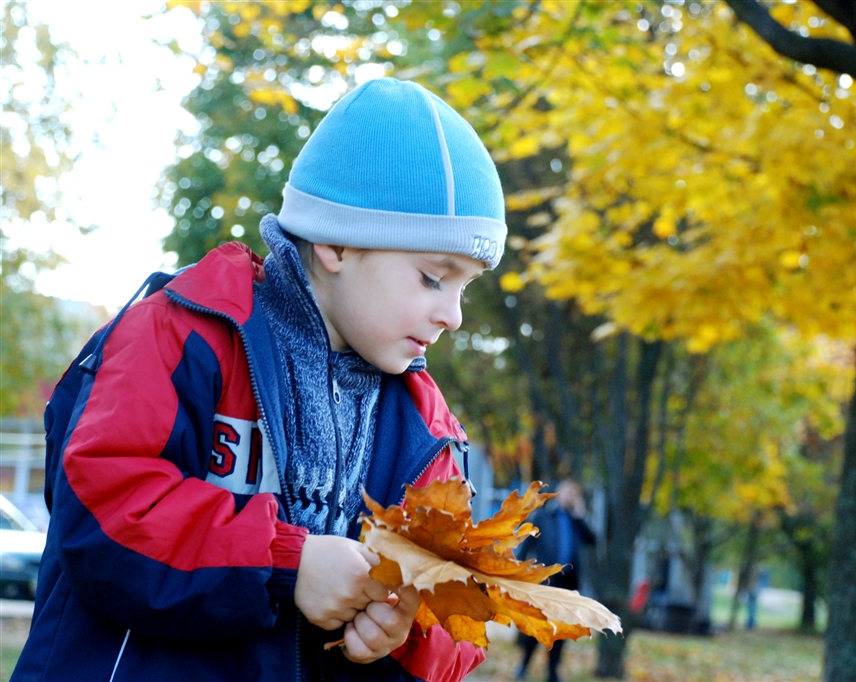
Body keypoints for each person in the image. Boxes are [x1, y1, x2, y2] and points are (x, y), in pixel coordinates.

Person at [12, 77, 506, 682]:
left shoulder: (423, 429)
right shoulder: (181, 338)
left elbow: (463, 627)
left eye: (465, 288)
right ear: (336, 243)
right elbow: (103, 509)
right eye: (434, 277)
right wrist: (285, 564)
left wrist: (408, 629)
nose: (452, 315)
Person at [515, 479, 596, 682]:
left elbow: (592, 540)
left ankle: (552, 673)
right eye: (567, 492)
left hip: (568, 583)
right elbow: (525, 545)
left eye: (574, 493)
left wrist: (580, 517)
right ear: (559, 493)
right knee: (538, 626)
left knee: (560, 629)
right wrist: (517, 571)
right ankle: (523, 666)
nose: (570, 496)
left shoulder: (576, 520)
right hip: (545, 581)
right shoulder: (544, 516)